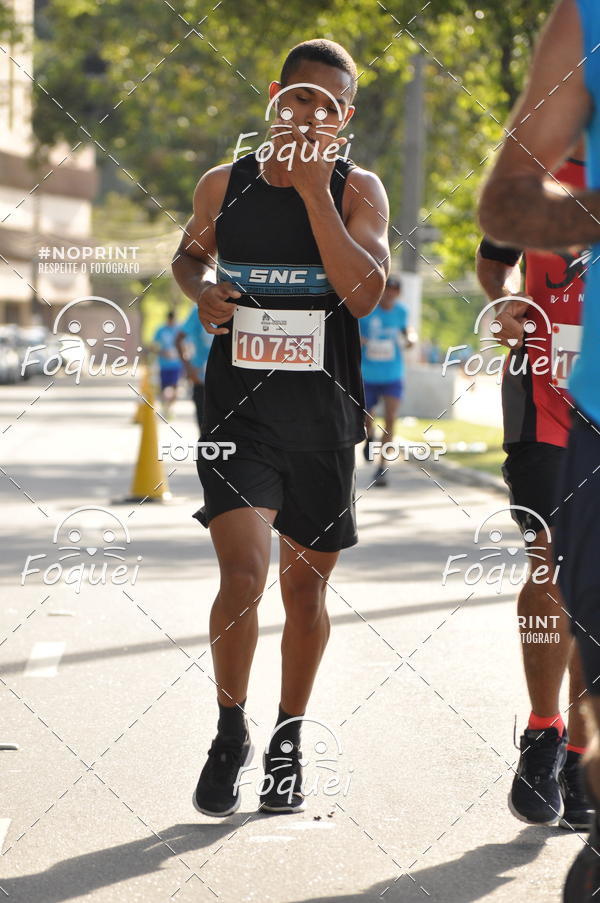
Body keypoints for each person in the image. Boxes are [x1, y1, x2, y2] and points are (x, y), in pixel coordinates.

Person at [171, 39, 390, 817]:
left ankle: (288, 737)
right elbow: (188, 256)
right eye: (298, 98)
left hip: (324, 419)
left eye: (326, 106)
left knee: (304, 591)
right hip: (239, 414)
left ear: (345, 120)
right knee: (243, 575)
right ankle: (230, 727)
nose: (308, 114)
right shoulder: (221, 183)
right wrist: (202, 290)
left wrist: (313, 196)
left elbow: (364, 293)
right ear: (274, 97)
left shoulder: (358, 188)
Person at [478, 0, 600, 894]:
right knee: (550, 559)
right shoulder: (545, 159)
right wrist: (509, 303)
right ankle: (546, 728)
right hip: (550, 387)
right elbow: (494, 251)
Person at [360, 274, 414, 487]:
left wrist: (411, 339)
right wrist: (362, 341)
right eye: (386, 290)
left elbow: (407, 331)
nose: (390, 294)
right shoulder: (367, 311)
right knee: (368, 417)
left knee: (391, 418)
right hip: (368, 374)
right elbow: (354, 336)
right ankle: (369, 436)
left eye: (394, 291)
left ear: (398, 293)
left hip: (393, 374)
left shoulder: (402, 312)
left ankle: (382, 467)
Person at [175, 304, 213, 433]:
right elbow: (178, 339)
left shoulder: (234, 308)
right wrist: (189, 369)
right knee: (204, 428)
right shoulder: (198, 310)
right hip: (201, 379)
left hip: (228, 381)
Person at [153, 310, 183, 418]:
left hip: (177, 365)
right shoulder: (161, 330)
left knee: (175, 388)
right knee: (164, 388)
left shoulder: (179, 330)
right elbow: (154, 347)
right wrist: (162, 352)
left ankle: (170, 408)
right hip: (164, 364)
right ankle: (164, 406)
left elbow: (187, 345)